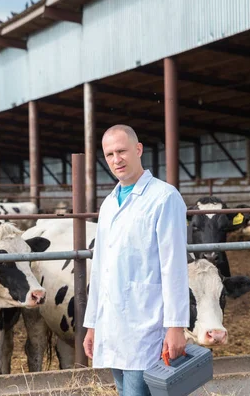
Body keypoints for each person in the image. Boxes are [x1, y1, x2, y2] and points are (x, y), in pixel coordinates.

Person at [83, 124, 190, 395]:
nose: (116, 159)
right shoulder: (108, 204)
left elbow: (174, 266)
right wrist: (92, 325)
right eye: (109, 154)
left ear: (138, 149)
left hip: (146, 324)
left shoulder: (164, 197)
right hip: (113, 326)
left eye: (122, 151)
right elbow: (100, 269)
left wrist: (176, 326)